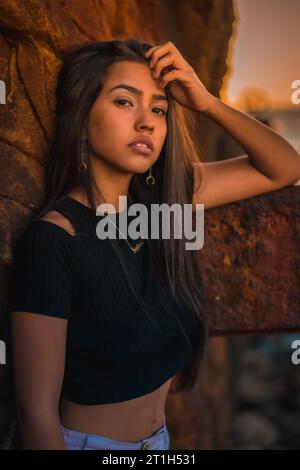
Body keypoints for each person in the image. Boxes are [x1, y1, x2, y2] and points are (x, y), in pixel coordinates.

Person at [8, 38, 300, 450]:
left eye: (159, 108)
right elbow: (36, 418)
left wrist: (207, 103)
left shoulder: (164, 200)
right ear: (82, 113)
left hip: (159, 444)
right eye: (125, 102)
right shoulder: (54, 241)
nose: (146, 121)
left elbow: (285, 167)